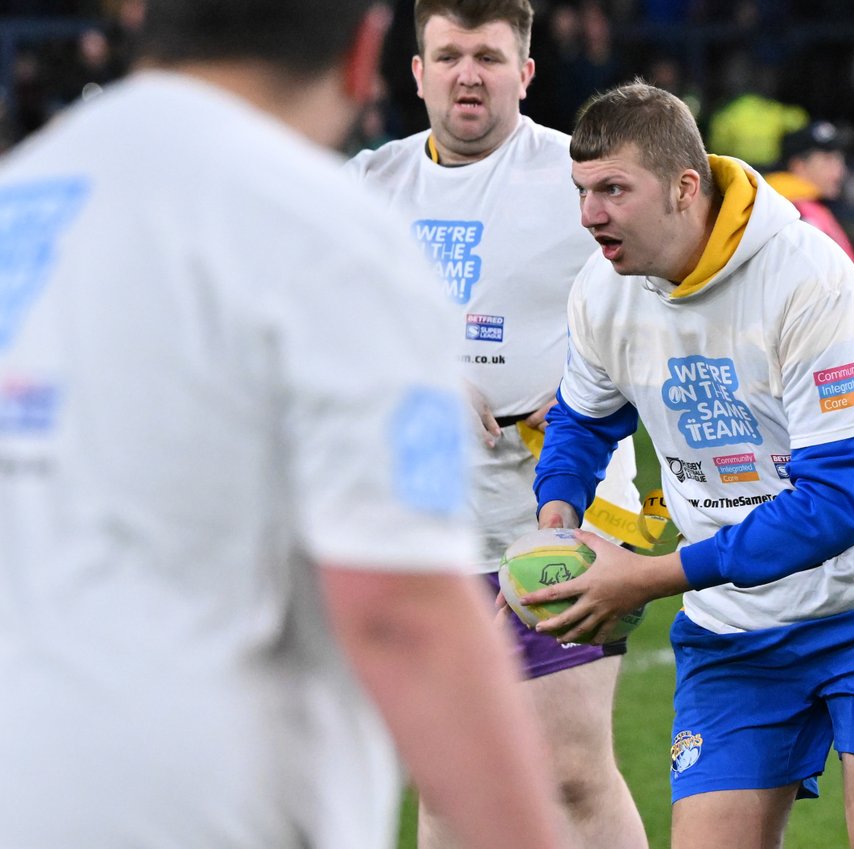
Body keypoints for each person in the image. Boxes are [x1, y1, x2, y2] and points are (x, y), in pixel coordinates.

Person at [0, 2, 566, 848]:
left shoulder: (22, 196)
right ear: (367, 54)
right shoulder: (331, 232)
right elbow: (402, 610)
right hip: (211, 807)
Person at [524, 81, 854, 849]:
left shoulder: (806, 278)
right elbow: (582, 420)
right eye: (583, 191)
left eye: (614, 190)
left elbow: (840, 498)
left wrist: (648, 575)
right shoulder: (602, 289)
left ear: (684, 188)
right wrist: (556, 521)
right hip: (736, 622)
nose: (591, 214)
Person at [343, 3, 647, 848]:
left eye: (487, 55)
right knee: (448, 778)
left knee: (572, 771)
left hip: (559, 505)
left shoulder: (579, 174)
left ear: (526, 71)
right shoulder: (369, 185)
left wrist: (601, 382)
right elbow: (311, 326)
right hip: (429, 519)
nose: (467, 73)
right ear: (416, 71)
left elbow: (662, 287)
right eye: (448, 55)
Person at [765, 119, 854, 264]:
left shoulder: (805, 207)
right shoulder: (793, 214)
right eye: (828, 160)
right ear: (798, 166)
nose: (840, 172)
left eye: (840, 160)